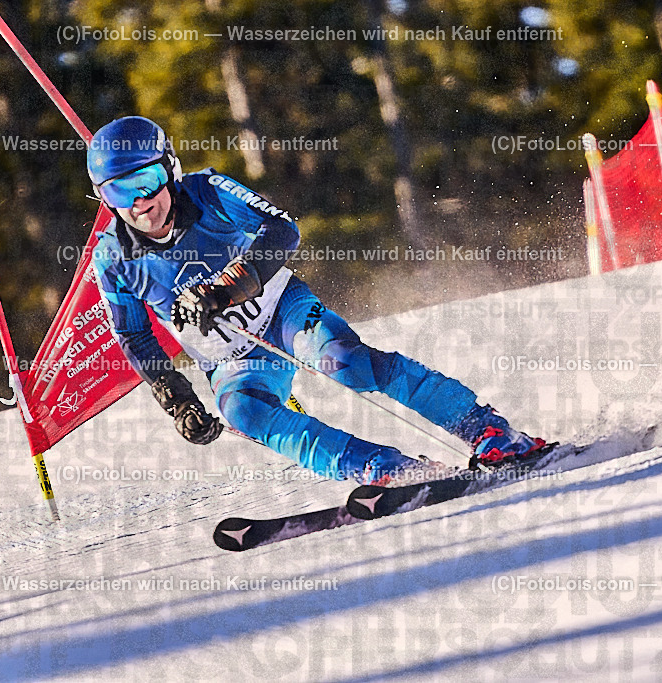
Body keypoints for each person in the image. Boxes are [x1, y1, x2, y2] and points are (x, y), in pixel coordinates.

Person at [88, 116, 548, 485]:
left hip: (281, 311)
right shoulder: (112, 258)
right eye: (118, 192)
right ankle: (380, 468)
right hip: (231, 357)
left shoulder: (209, 191)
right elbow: (133, 334)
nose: (138, 204)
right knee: (245, 413)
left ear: (169, 169)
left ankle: (487, 430)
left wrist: (226, 289)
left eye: (145, 181)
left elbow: (284, 229)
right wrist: (178, 400)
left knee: (344, 361)